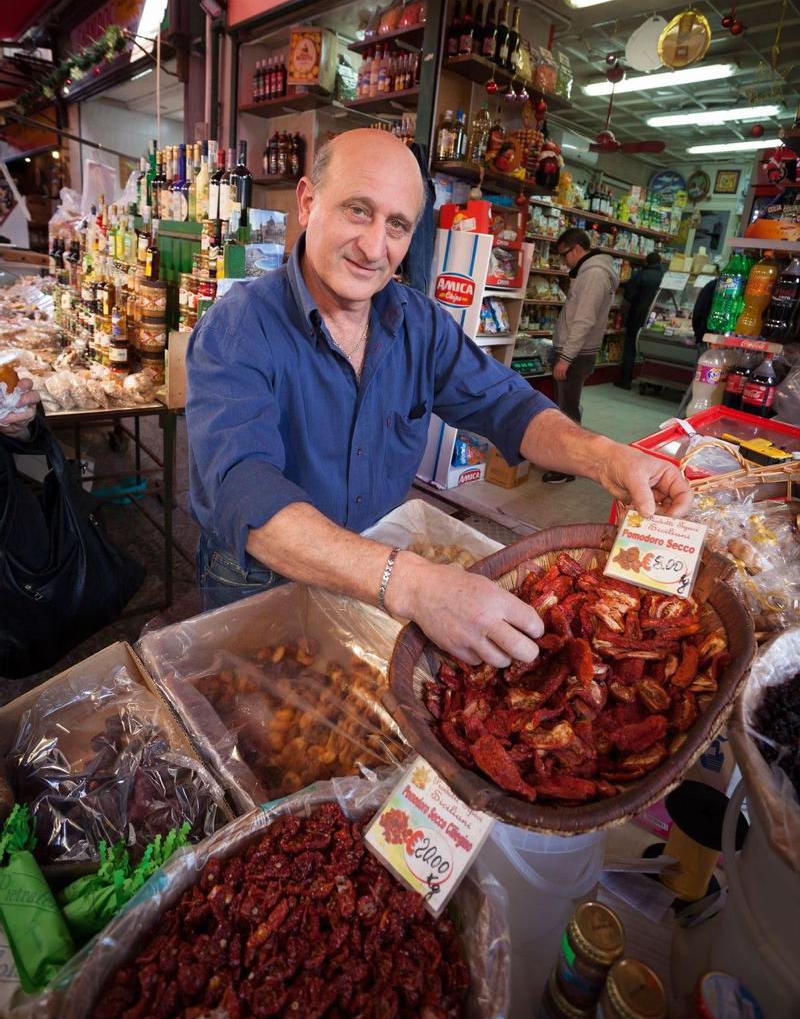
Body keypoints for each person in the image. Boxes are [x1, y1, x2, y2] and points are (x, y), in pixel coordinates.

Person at [186, 129, 692, 667]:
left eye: (398, 225)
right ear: (308, 202)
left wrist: (605, 456)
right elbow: (243, 490)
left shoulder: (418, 323)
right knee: (260, 723)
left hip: (380, 570)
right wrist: (413, 583)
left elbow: (509, 406)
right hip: (262, 581)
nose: (374, 248)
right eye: (359, 210)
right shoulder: (238, 327)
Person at [543, 227, 619, 483]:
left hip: (575, 354)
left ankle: (566, 467)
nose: (564, 262)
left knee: (567, 412)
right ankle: (564, 462)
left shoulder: (594, 274)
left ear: (577, 249)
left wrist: (565, 358)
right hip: (574, 352)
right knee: (567, 407)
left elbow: (584, 320)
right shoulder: (591, 271)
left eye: (564, 255)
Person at [615, 251, 663, 390]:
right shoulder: (663, 276)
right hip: (655, 318)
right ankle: (653, 382)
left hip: (637, 315)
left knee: (630, 346)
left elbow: (630, 296)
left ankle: (625, 380)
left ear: (646, 262)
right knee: (651, 349)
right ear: (659, 263)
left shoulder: (641, 275)